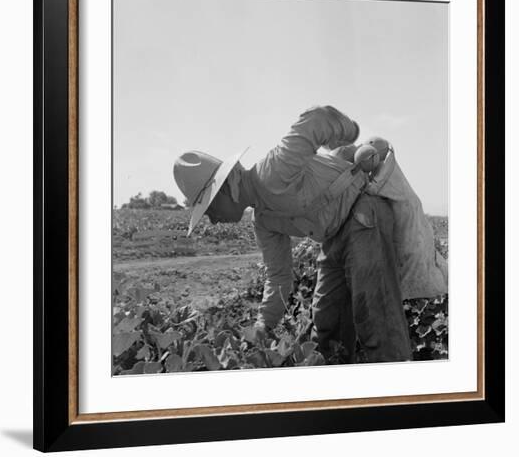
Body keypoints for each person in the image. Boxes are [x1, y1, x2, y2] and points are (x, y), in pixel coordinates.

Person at [173, 106, 447, 364]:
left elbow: (316, 120)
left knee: (374, 312)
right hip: (335, 235)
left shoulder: (273, 171)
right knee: (327, 322)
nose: (212, 217)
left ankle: (399, 394)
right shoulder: (263, 222)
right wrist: (262, 325)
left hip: (364, 213)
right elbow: (278, 276)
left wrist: (350, 132)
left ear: (226, 187)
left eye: (208, 206)